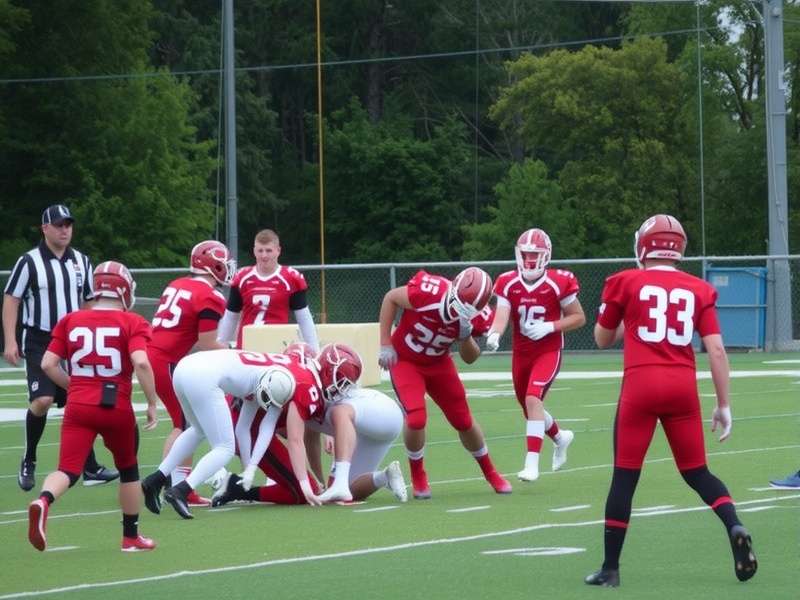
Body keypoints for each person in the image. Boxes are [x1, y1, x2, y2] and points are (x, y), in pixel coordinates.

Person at [585, 214, 757, 587]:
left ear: (643, 246)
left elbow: (602, 338)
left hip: (641, 386)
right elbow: (716, 350)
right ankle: (734, 524)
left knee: (625, 476)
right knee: (697, 472)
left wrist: (626, 316)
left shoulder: (625, 281)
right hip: (682, 388)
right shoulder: (699, 289)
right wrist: (724, 404)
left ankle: (610, 568)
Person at [28, 261, 159, 552]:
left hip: (78, 404)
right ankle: (130, 536)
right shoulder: (133, 321)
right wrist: (152, 401)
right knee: (128, 469)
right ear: (124, 290)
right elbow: (140, 362)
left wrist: (74, 386)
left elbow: (48, 364)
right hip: (115, 406)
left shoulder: (71, 319)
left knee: (68, 469)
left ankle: (44, 500)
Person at [3, 204, 118, 491]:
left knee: (81, 399)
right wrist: (10, 340)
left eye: (68, 224)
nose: (64, 230)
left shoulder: (81, 261)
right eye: (58, 225)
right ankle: (29, 458)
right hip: (40, 340)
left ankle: (89, 466)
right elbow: (12, 299)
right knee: (42, 400)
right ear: (45, 228)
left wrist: (92, 336)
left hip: (73, 341)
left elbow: (89, 301)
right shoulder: (28, 262)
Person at [378, 267, 511, 499]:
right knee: (416, 418)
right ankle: (418, 476)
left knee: (463, 420)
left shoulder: (478, 317)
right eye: (456, 304)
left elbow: (470, 358)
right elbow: (391, 297)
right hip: (406, 360)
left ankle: (491, 472)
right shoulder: (428, 291)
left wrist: (465, 337)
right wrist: (385, 343)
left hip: (439, 363)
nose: (455, 311)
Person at [140, 349, 308, 518]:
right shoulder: (273, 381)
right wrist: (250, 467)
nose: (264, 402)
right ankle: (181, 491)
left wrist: (249, 468)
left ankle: (154, 480)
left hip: (184, 368)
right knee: (225, 448)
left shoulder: (267, 377)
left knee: (197, 430)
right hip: (203, 376)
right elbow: (264, 428)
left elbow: (243, 428)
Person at [484, 228, 585, 481]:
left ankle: (531, 464)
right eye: (526, 254)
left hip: (548, 350)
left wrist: (550, 326)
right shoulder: (507, 281)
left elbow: (578, 317)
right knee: (529, 408)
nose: (529, 259)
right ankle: (561, 437)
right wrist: (494, 333)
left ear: (546, 255)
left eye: (534, 254)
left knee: (532, 398)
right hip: (522, 353)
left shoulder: (559, 281)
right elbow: (502, 315)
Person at [147, 240, 234, 507]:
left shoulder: (177, 284)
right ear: (214, 265)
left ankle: (171, 483)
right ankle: (172, 485)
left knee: (185, 424)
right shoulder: (211, 296)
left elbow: (190, 335)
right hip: (165, 360)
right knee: (185, 426)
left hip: (155, 355)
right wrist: (235, 352)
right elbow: (207, 342)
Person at [217, 229, 319, 352]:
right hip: (247, 347)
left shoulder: (290, 278)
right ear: (254, 251)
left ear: (278, 251)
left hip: (276, 347)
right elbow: (231, 316)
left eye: (268, 250)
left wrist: (315, 350)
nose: (264, 255)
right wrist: (220, 347)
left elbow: (304, 318)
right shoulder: (242, 277)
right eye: (260, 250)